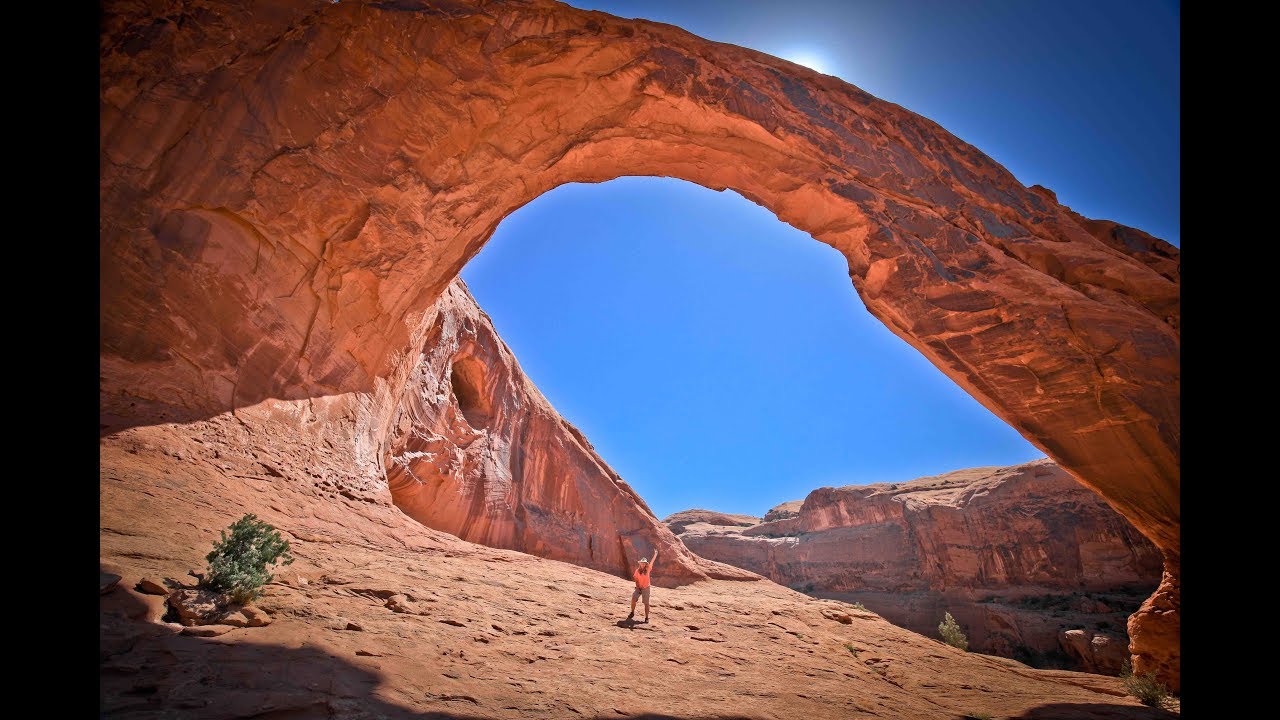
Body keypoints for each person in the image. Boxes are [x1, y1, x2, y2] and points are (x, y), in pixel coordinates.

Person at [627, 548, 658, 623]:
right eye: (642, 563)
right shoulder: (637, 571)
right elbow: (636, 579)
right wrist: (637, 586)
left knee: (646, 603)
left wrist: (655, 554)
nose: (643, 564)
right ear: (640, 563)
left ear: (646, 564)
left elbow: (652, 562)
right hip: (638, 587)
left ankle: (646, 617)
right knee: (633, 599)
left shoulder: (648, 569)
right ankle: (632, 612)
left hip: (646, 588)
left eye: (644, 563)